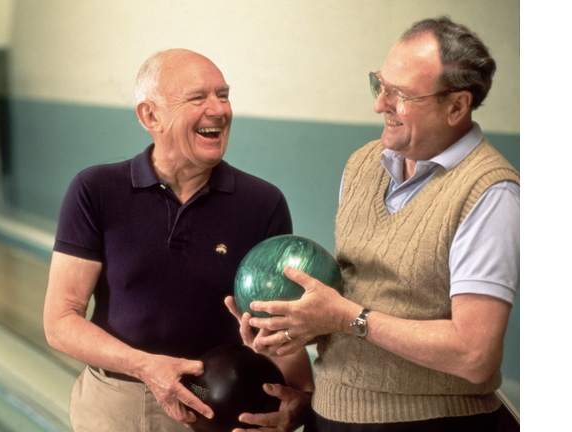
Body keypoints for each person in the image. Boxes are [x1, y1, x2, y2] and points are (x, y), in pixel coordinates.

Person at [235, 16, 520, 431]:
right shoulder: (364, 163)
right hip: (330, 415)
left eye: (401, 94)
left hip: (430, 423)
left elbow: (474, 356)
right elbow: (354, 302)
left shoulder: (490, 193)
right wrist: (294, 328)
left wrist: (346, 318)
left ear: (457, 106)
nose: (379, 104)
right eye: (380, 85)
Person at [43, 48, 314, 432]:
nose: (218, 109)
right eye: (198, 98)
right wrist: (145, 366)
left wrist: (300, 395)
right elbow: (60, 320)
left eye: (223, 95)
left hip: (223, 409)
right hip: (119, 404)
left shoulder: (262, 203)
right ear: (150, 115)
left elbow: (273, 324)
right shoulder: (96, 190)